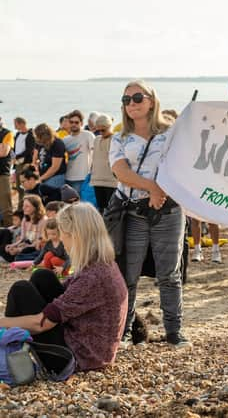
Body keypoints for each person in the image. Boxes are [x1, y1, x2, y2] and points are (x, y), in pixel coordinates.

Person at [0, 203, 127, 372]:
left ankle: (6, 352)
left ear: (75, 236)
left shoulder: (92, 276)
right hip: (91, 348)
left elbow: (41, 324)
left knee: (21, 289)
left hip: (76, 359)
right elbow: (66, 296)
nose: (61, 241)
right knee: (42, 276)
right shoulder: (102, 263)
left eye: (62, 234)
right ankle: (9, 347)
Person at [110, 79, 189, 348]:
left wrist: (161, 193)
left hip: (169, 212)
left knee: (169, 275)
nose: (131, 104)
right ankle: (125, 333)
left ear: (151, 101)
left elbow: (184, 166)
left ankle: (174, 332)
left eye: (137, 98)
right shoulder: (119, 137)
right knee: (128, 276)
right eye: (126, 100)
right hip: (132, 212)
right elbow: (120, 172)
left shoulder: (171, 133)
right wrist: (152, 188)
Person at [0, 195, 47, 263]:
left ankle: (5, 256)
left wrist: (19, 249)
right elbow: (22, 238)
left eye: (27, 206)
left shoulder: (43, 221)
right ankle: (4, 253)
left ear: (35, 207)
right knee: (5, 232)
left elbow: (37, 242)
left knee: (21, 253)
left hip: (33, 247)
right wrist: (13, 245)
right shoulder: (25, 219)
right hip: (24, 244)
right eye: (23, 206)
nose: (23, 208)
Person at [90, 114, 118, 213]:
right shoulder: (96, 139)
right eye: (98, 130)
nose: (101, 133)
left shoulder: (116, 139)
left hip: (111, 181)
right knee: (101, 209)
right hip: (97, 179)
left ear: (110, 127)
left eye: (103, 130)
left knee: (111, 210)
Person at [63, 110, 95, 195]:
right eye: (71, 122)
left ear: (81, 123)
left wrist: (92, 171)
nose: (73, 124)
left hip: (83, 177)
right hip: (68, 177)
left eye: (76, 122)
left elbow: (94, 153)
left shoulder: (88, 135)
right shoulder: (65, 139)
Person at [33, 123, 67, 188]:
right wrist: (35, 167)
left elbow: (55, 167)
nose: (36, 138)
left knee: (51, 197)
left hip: (55, 177)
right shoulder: (40, 142)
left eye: (37, 136)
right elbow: (35, 156)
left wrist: (41, 179)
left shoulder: (57, 143)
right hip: (43, 176)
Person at [13, 117, 36, 204]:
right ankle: (21, 206)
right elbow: (15, 148)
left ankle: (26, 205)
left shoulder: (30, 135)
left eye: (15, 124)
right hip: (18, 163)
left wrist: (17, 156)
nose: (14, 126)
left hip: (26, 163)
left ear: (21, 124)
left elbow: (29, 150)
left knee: (25, 186)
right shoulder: (18, 134)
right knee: (19, 187)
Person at [0, 117, 13, 227]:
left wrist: (1, 147)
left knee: (6, 207)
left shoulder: (7, 133)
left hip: (2, 174)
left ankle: (9, 231)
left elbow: (3, 152)